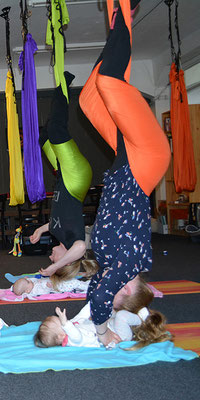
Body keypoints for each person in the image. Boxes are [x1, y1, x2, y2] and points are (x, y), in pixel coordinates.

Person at [79, 0, 171, 346]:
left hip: (127, 159)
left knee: (91, 99)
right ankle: (124, 10)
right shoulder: (131, 260)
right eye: (119, 294)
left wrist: (130, 319)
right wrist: (104, 334)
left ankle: (119, 17)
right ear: (128, 287)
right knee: (110, 83)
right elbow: (102, 297)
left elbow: (94, 291)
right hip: (147, 159)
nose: (108, 288)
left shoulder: (108, 264)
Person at [29, 70, 92, 279]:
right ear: (66, 259)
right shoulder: (75, 240)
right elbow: (82, 248)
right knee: (57, 130)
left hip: (62, 176)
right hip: (75, 179)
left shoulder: (58, 234)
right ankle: (65, 83)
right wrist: (55, 269)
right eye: (54, 260)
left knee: (44, 136)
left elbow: (56, 221)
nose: (51, 257)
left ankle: (62, 90)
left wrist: (40, 230)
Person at [34, 302, 170, 349]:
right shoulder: (72, 340)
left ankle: (132, 319)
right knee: (122, 315)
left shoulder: (71, 325)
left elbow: (83, 315)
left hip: (109, 326)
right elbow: (77, 336)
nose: (63, 320)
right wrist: (66, 323)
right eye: (60, 322)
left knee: (108, 311)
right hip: (118, 336)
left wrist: (94, 302)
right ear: (61, 336)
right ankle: (141, 320)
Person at [12, 275, 90, 297]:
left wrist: (28, 279)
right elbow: (44, 292)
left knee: (70, 280)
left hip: (55, 281)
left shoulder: (30, 285)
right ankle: (89, 287)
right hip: (58, 287)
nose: (30, 281)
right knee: (73, 283)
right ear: (27, 291)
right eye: (28, 282)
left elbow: (32, 280)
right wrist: (48, 287)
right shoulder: (35, 290)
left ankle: (86, 284)